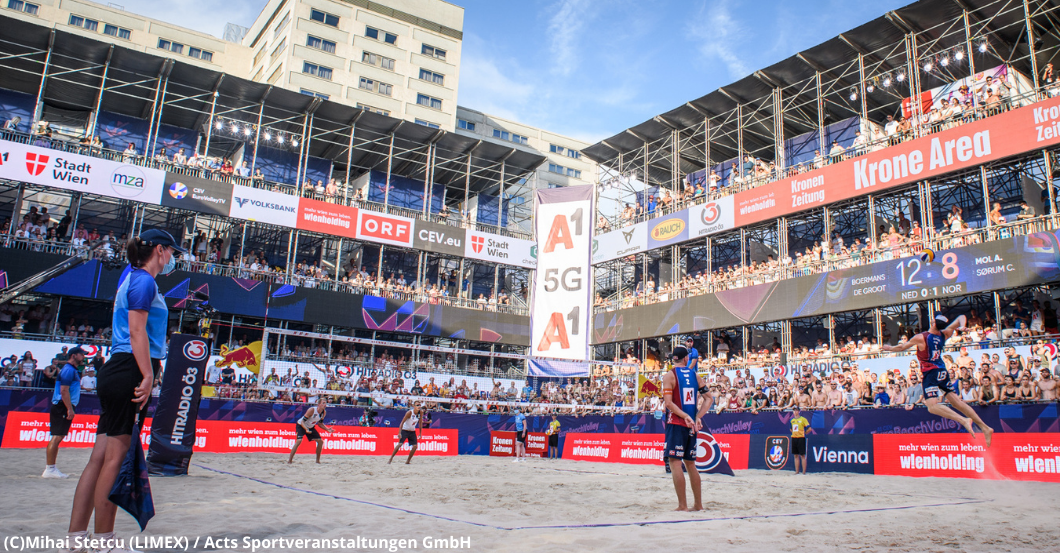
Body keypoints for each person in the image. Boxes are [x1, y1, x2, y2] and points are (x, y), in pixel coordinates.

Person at [66, 229, 183, 553]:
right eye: (171, 251)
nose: (172, 258)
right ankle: (105, 540)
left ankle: (76, 538)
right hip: (130, 368)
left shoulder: (132, 278)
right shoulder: (144, 280)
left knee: (100, 457)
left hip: (119, 367)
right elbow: (136, 332)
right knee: (115, 460)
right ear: (160, 250)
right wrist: (148, 374)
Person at [882, 314, 994, 446]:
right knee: (957, 402)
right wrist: (963, 325)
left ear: (933, 323)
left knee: (932, 407)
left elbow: (901, 347)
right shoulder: (944, 334)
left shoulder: (921, 337)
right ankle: (985, 427)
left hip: (930, 372)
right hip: (942, 371)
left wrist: (889, 348)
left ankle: (963, 420)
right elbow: (961, 317)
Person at [662, 346, 708, 511]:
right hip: (692, 425)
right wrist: (697, 416)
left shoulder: (670, 375)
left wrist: (685, 416)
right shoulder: (695, 375)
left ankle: (682, 505)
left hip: (677, 423)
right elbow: (709, 398)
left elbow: (668, 403)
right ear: (686, 359)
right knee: (691, 464)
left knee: (675, 462)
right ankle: (698, 505)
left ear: (673, 359)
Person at [44, 347, 88, 479]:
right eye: (82, 355)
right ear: (74, 355)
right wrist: (69, 408)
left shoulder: (72, 370)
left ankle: (50, 468)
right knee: (57, 436)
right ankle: (50, 469)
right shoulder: (69, 370)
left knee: (59, 436)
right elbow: (64, 391)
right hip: (62, 406)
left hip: (63, 405)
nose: (84, 357)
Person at [287, 396, 334, 464]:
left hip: (310, 427)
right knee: (299, 441)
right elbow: (303, 421)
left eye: (325, 403)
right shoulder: (312, 410)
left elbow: (320, 424)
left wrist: (327, 429)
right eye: (323, 403)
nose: (325, 404)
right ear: (318, 404)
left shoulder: (323, 412)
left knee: (320, 442)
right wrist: (306, 429)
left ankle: (317, 461)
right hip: (301, 425)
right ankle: (290, 461)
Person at [790, 406, 810, 475]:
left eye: (796, 410)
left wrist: (804, 433)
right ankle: (797, 471)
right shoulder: (792, 420)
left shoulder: (803, 419)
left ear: (799, 411)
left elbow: (809, 428)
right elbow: (791, 428)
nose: (795, 412)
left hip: (801, 437)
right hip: (794, 437)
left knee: (802, 455)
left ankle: (804, 472)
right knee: (795, 455)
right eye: (794, 410)